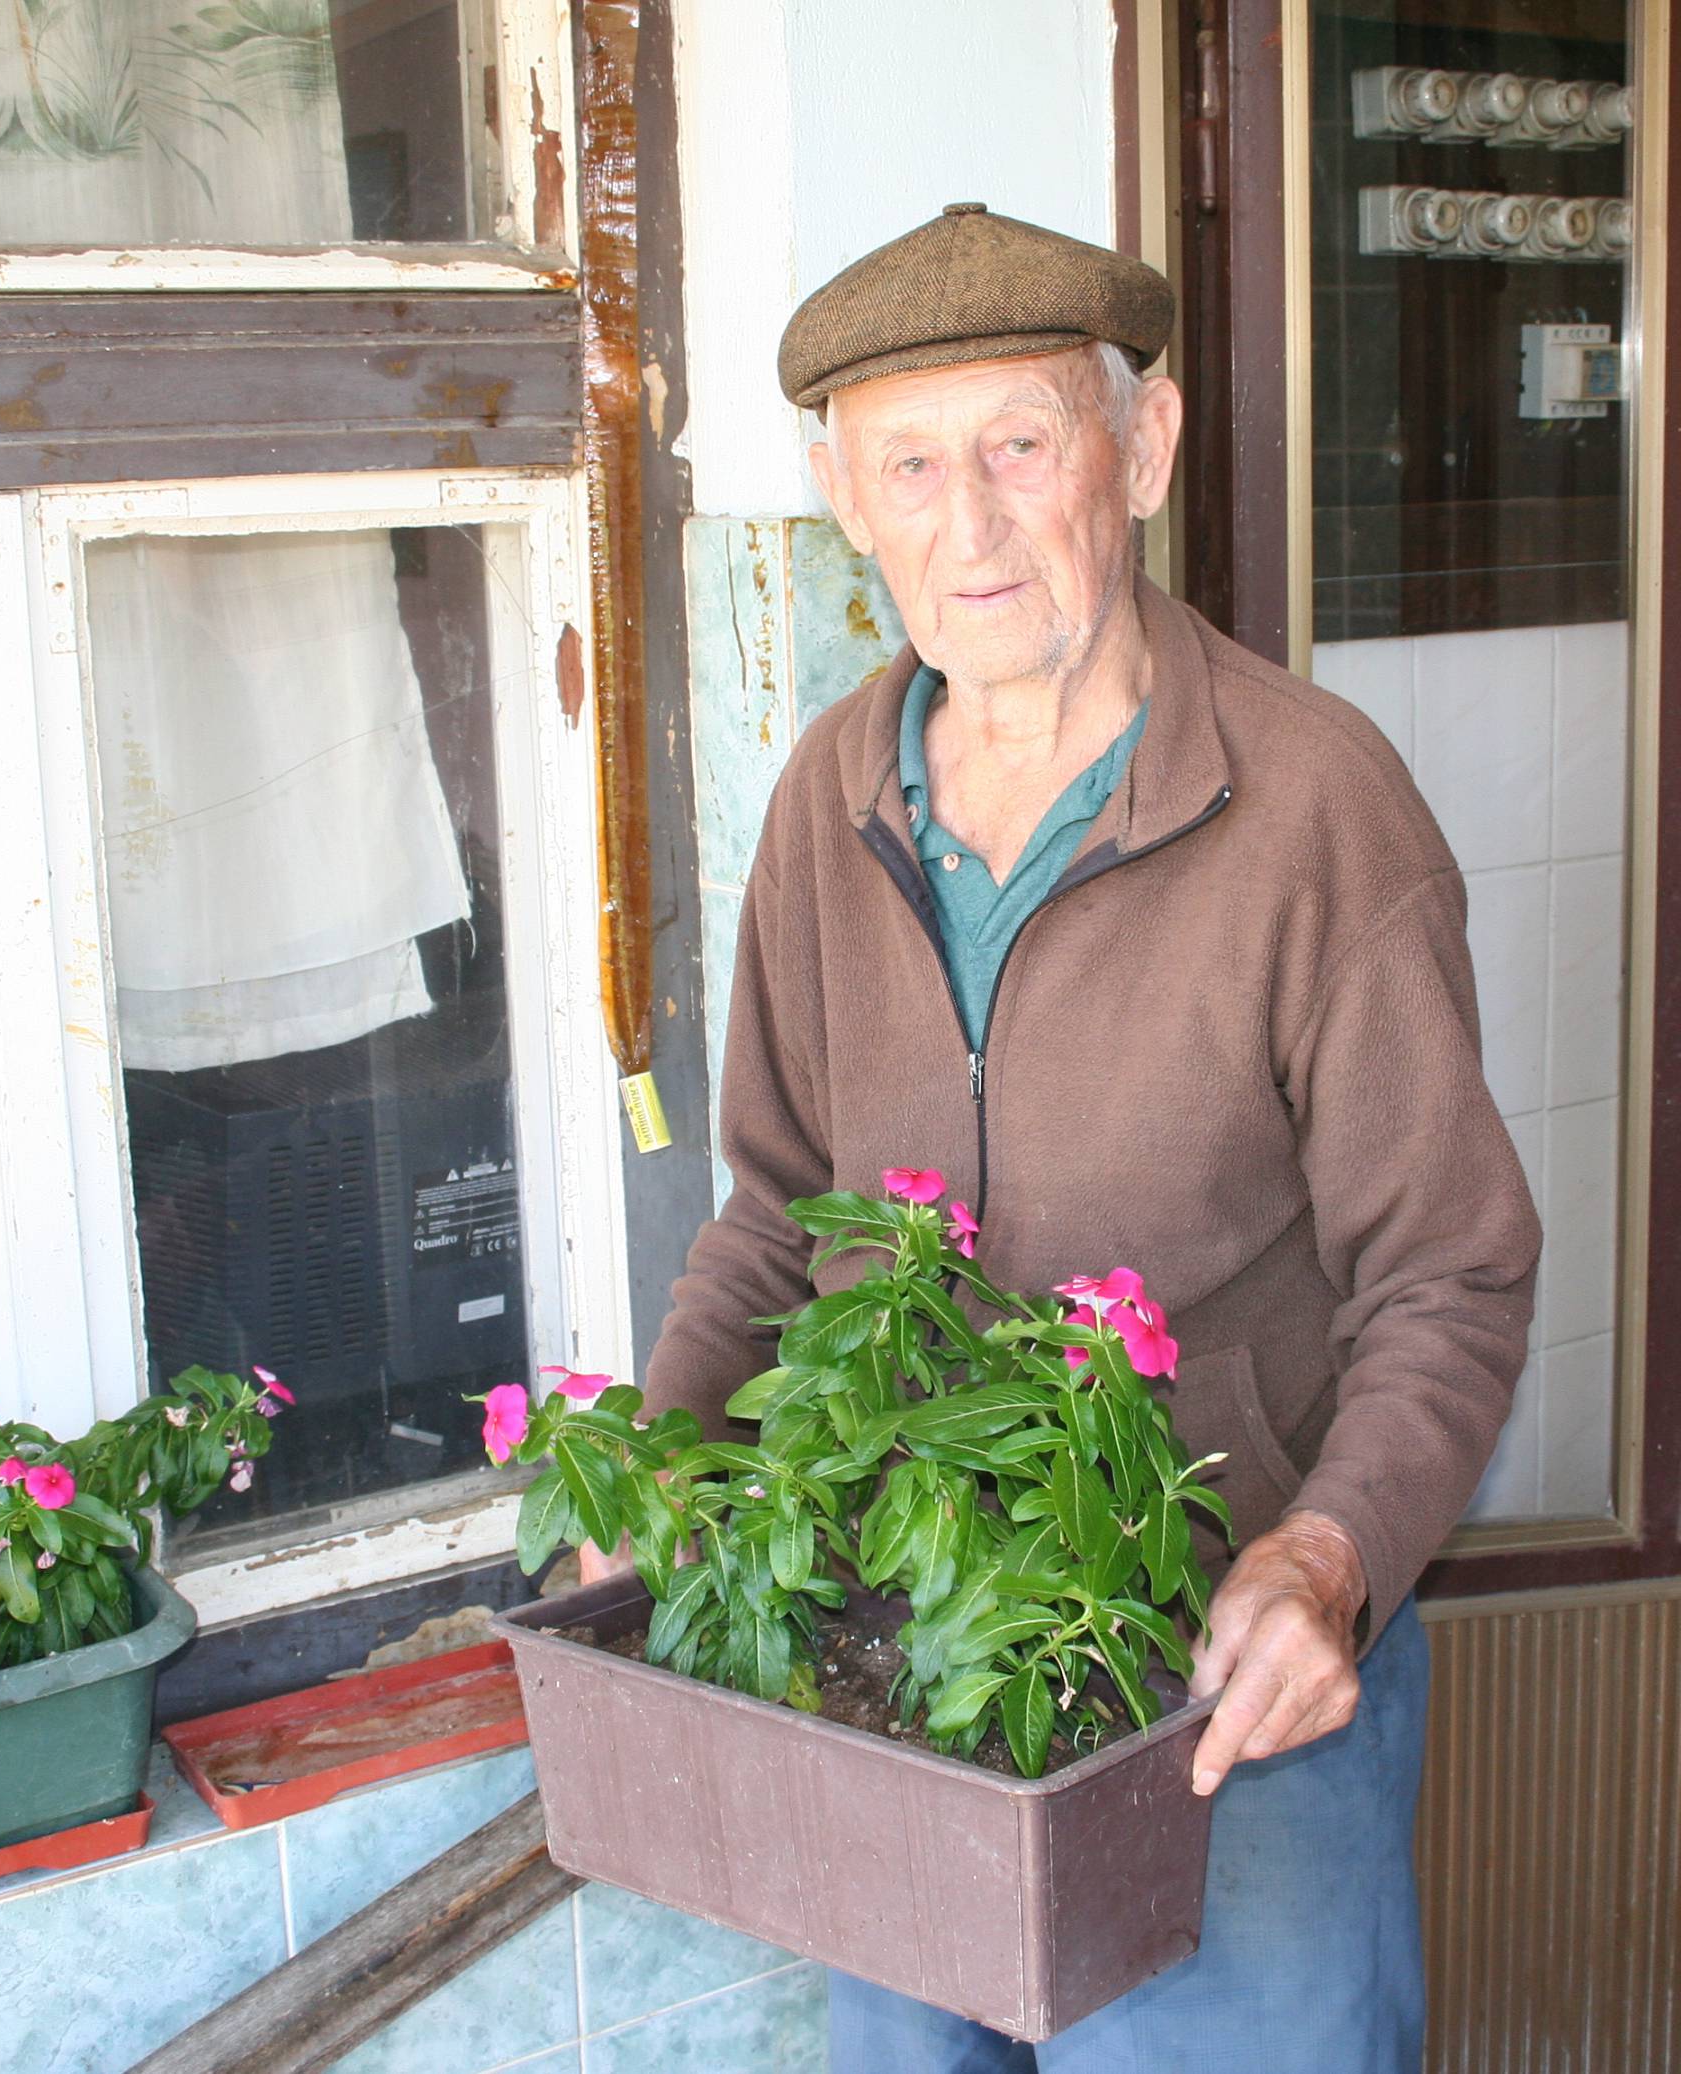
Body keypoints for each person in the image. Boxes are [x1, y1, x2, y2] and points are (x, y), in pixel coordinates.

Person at [598, 203, 1541, 2071]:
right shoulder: (827, 799)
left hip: (1224, 1707)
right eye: (912, 466)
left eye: (1023, 446)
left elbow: (1449, 1276)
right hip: (909, 1656)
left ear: (1145, 449)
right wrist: (643, 1493)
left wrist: (1330, 1555)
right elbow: (779, 1217)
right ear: (842, 498)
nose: (973, 524)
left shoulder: (1314, 807)